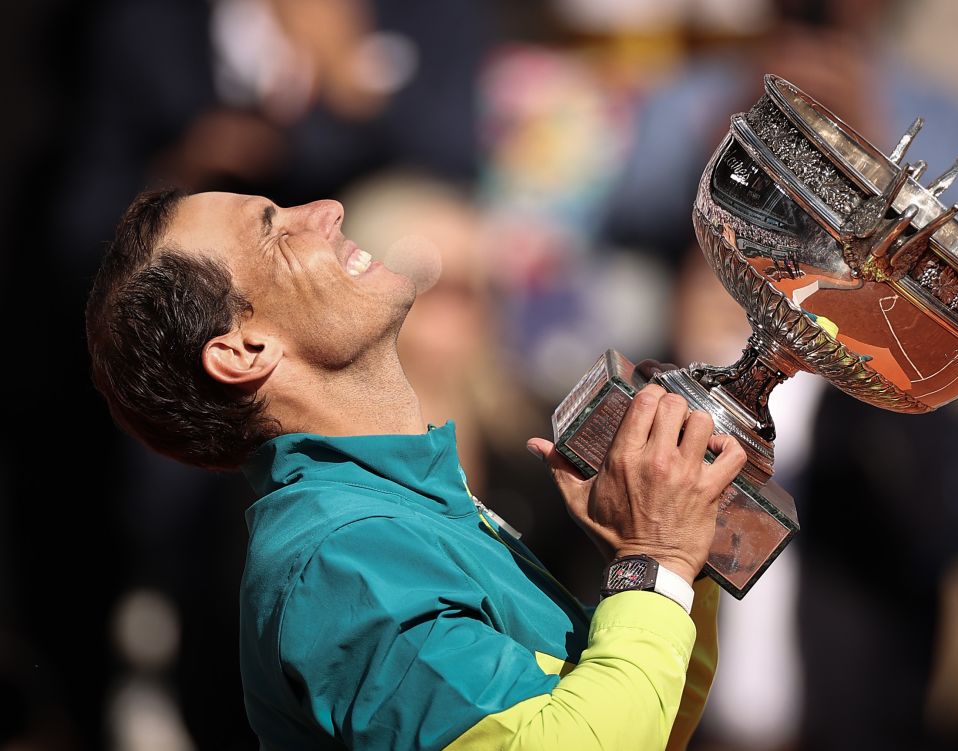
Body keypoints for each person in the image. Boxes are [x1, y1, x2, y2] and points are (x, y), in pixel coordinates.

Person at [85, 187, 747, 750]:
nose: (327, 209)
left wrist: (681, 541)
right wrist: (652, 560)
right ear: (243, 349)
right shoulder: (338, 559)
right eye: (274, 232)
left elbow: (638, 722)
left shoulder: (398, 511)